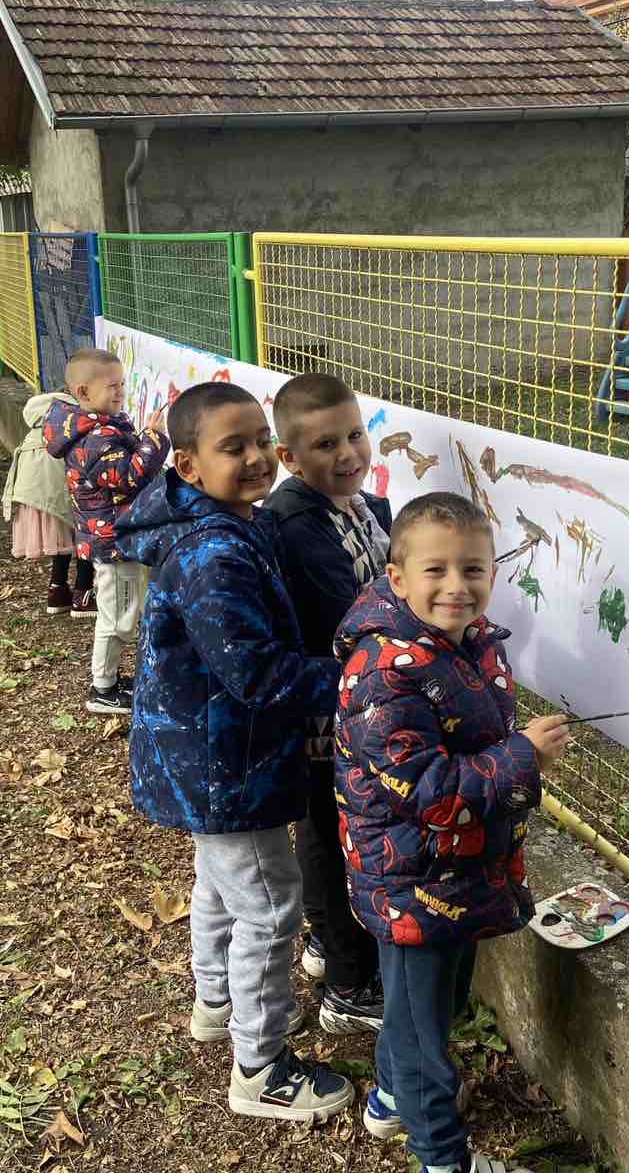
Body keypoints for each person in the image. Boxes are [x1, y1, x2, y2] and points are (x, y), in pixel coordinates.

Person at [116, 381, 353, 1123]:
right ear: (188, 466)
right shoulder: (215, 553)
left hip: (203, 757)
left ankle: (217, 1003)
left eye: (259, 441)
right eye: (233, 448)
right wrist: (362, 678)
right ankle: (260, 1067)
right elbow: (255, 674)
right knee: (272, 906)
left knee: (220, 886)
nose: (255, 458)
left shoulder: (226, 523)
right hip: (224, 764)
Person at [334, 491, 570, 1173]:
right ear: (397, 577)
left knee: (430, 1009)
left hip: (453, 873)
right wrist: (522, 758)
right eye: (435, 570)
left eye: (473, 568)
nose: (456, 586)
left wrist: (515, 755)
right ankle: (442, 1158)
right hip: (411, 882)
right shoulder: (385, 672)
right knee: (422, 1039)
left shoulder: (466, 641)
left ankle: (389, 1100)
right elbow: (428, 791)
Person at [264, 373, 390, 1034]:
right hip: (323, 702)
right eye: (325, 445)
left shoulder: (359, 506)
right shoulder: (297, 524)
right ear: (289, 457)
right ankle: (347, 981)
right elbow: (351, 616)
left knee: (330, 821)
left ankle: (325, 940)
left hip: (352, 697)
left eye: (355, 435)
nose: (348, 454)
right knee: (327, 825)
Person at [43, 349, 169, 715]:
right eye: (112, 386)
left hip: (117, 537)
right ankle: (102, 689)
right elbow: (128, 477)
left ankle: (109, 680)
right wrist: (153, 439)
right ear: (83, 392)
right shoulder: (95, 438)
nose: (120, 391)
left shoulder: (100, 427)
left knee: (124, 612)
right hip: (113, 543)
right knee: (117, 618)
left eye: (122, 384)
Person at [2, 386, 96, 619]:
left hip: (30, 492)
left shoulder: (37, 422)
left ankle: (57, 591)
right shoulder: (72, 419)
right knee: (84, 531)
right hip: (56, 487)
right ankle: (83, 594)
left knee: (60, 539)